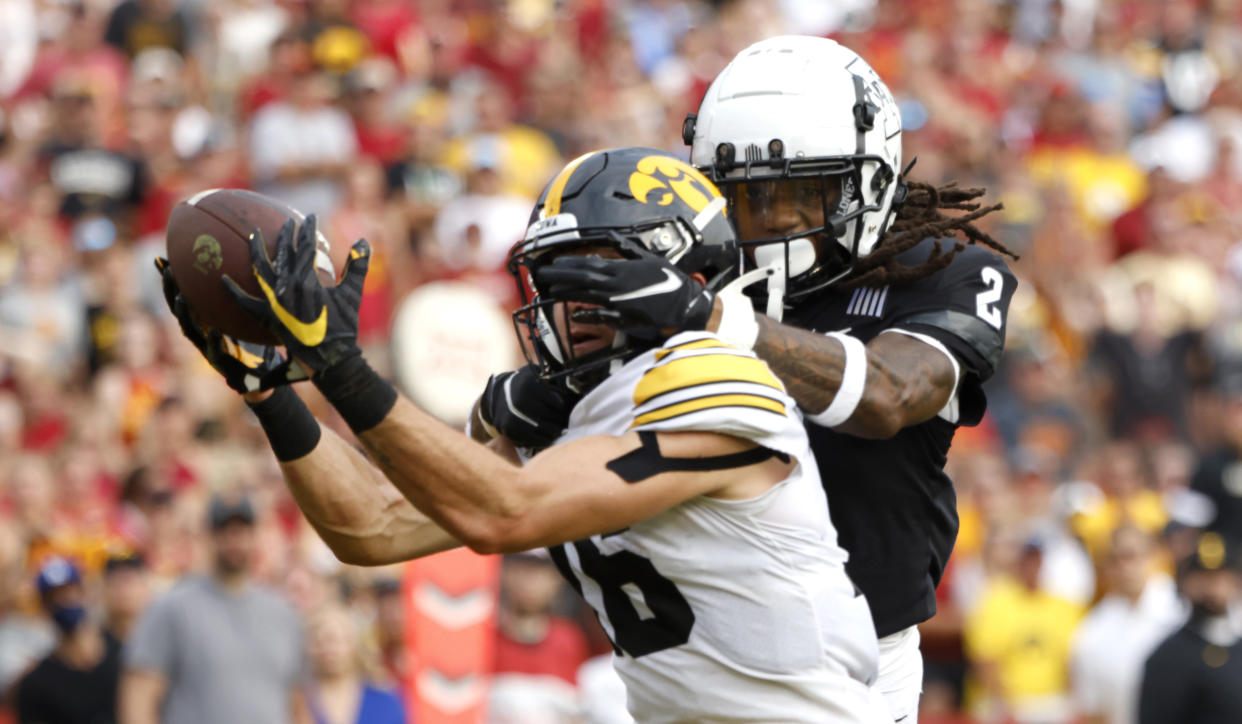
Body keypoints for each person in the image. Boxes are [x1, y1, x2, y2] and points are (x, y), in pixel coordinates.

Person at [155, 147, 887, 723]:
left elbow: (506, 511)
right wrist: (275, 392)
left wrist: (342, 368)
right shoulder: (567, 405)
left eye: (593, 274)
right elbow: (371, 529)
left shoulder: (718, 380)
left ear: (676, 270)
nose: (564, 303)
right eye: (554, 278)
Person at [484, 35, 1019, 723]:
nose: (766, 226)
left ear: (871, 181)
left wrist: (710, 318)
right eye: (743, 199)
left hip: (856, 667)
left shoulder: (940, 268)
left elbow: (889, 393)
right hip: (688, 661)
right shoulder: (695, 268)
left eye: (798, 199)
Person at [118, 495, 308, 724]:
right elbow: (139, 695)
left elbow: (296, 703)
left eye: (242, 532)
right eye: (224, 532)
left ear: (255, 536)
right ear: (209, 537)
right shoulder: (172, 607)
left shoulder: (282, 614)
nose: (234, 542)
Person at [1071, 525, 1183, 724]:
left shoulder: (1181, 612)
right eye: (1115, 559)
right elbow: (1094, 708)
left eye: (1131, 556)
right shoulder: (1095, 627)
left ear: (1154, 556)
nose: (1124, 566)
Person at [1137, 531, 1242, 724]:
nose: (1214, 590)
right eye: (1204, 579)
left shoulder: (1237, 646)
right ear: (1186, 584)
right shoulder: (1168, 656)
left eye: (1222, 578)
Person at [15, 556, 122, 724]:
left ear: (86, 593)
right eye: (55, 597)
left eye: (72, 591)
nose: (65, 600)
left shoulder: (124, 654)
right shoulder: (38, 682)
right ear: (44, 606)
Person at [305, 605, 404, 724]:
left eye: (335, 640)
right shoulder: (300, 701)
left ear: (353, 644)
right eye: (319, 642)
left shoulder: (382, 699)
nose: (328, 649)